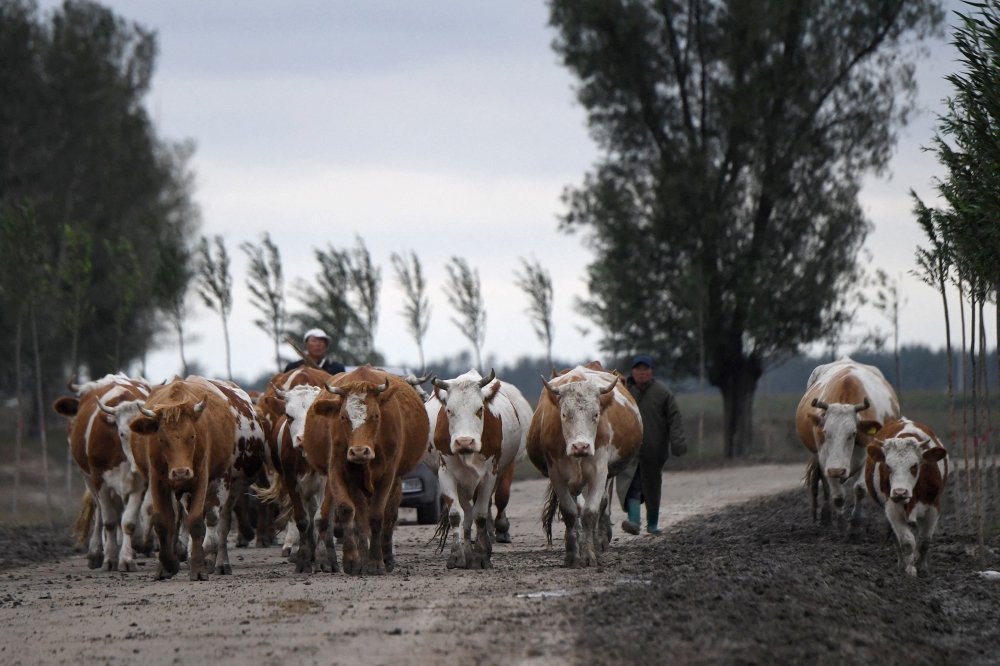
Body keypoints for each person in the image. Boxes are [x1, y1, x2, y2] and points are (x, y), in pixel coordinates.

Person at [616, 355, 687, 535]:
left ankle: (652, 525)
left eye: (645, 369)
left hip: (653, 450)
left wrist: (677, 441)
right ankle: (633, 522)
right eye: (638, 369)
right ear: (632, 372)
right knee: (631, 484)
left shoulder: (662, 392)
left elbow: (674, 418)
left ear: (651, 371)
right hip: (629, 450)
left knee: (652, 488)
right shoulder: (624, 390)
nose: (641, 373)